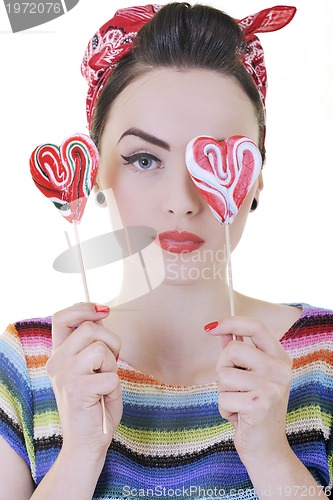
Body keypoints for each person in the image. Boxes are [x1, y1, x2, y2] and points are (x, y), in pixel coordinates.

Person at [0, 2, 332, 499]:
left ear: (256, 177)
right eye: (144, 159)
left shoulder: (323, 355)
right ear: (94, 172)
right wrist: (80, 454)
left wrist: (270, 452)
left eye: (215, 159)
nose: (182, 201)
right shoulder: (31, 364)